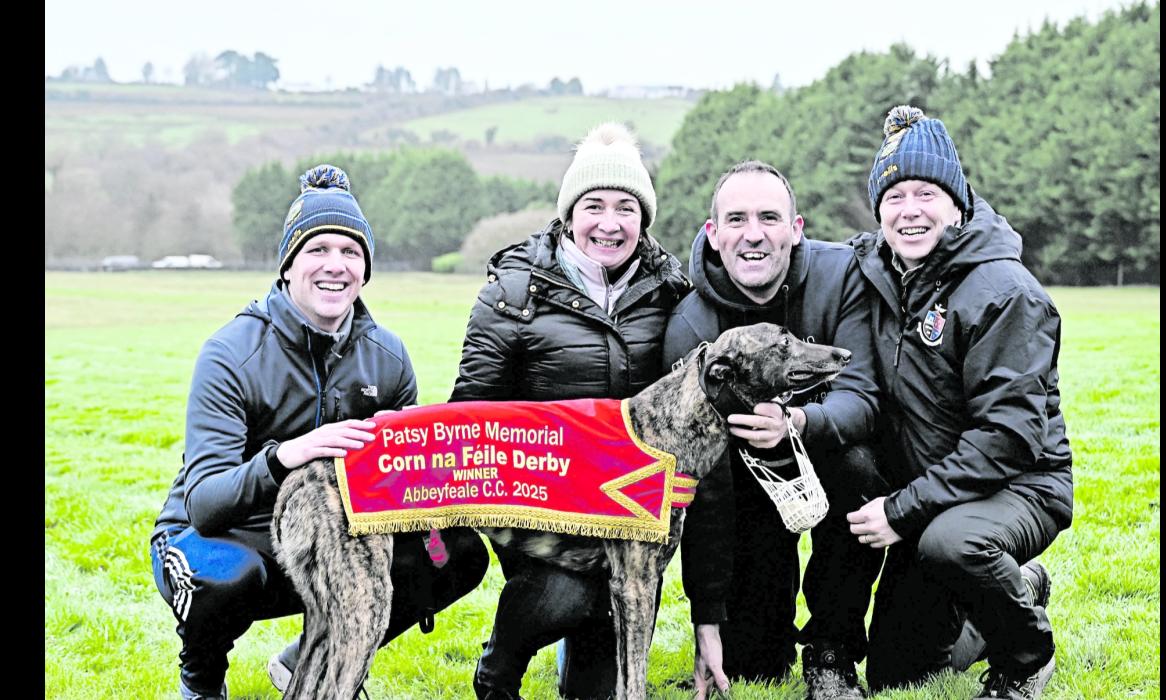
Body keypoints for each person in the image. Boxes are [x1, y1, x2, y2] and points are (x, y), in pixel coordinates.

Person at [149, 164, 489, 700]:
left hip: (331, 541)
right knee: (222, 579)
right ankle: (201, 680)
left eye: (351, 252)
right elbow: (205, 505)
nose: (336, 266)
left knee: (457, 554)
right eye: (318, 250)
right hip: (230, 539)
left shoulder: (389, 357)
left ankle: (321, 661)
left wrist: (425, 462)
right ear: (288, 264)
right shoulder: (231, 353)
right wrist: (285, 456)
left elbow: (407, 493)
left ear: (366, 268)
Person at [839, 105, 1072, 699]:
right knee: (900, 672)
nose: (909, 210)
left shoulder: (1005, 292)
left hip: (1015, 484)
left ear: (958, 201)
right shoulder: (876, 271)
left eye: (926, 192)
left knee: (957, 545)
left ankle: (1024, 659)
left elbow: (1009, 438)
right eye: (894, 196)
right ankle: (1012, 588)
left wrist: (901, 510)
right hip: (935, 492)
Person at [451, 123, 689, 700]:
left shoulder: (672, 291)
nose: (610, 223)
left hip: (629, 511)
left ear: (644, 217)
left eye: (626, 207)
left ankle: (581, 663)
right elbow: (470, 410)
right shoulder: (513, 291)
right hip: (540, 510)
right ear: (569, 212)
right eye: (595, 205)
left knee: (596, 682)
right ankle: (501, 662)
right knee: (567, 596)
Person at [660, 160, 882, 697]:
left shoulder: (840, 276)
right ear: (713, 234)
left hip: (833, 456)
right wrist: (706, 618)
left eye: (769, 217)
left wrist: (798, 422)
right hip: (740, 488)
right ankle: (763, 627)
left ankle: (833, 645)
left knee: (858, 463)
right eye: (735, 219)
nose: (753, 234)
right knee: (756, 667)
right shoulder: (691, 327)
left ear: (796, 228)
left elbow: (864, 398)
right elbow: (698, 485)